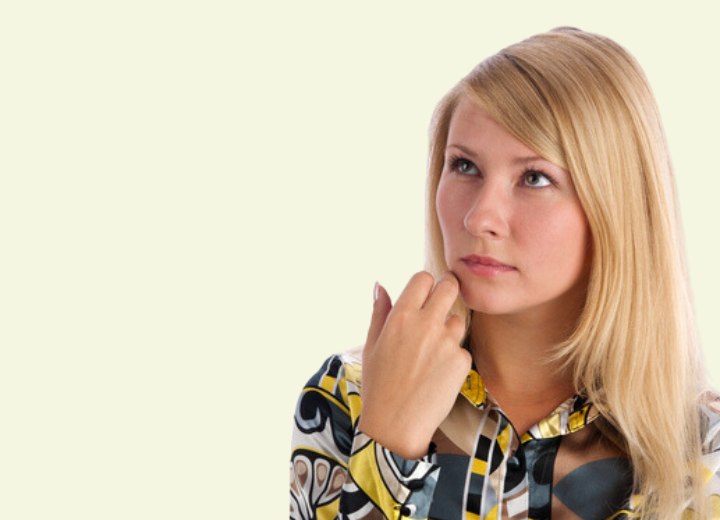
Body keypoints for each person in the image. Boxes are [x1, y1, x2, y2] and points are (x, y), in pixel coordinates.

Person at [289, 27, 720, 519]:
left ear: (616, 207)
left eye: (534, 178)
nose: (479, 218)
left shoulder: (701, 450)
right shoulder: (347, 398)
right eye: (465, 166)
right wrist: (387, 444)